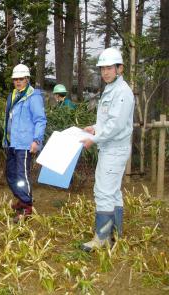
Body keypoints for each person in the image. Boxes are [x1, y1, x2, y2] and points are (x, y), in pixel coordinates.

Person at [81, 47, 134, 251]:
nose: (105, 72)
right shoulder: (112, 89)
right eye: (102, 68)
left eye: (109, 68)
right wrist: (95, 128)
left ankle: (102, 237)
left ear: (120, 68)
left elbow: (117, 125)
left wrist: (94, 138)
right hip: (110, 146)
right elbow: (109, 121)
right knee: (112, 192)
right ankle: (115, 233)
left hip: (114, 149)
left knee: (103, 191)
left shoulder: (122, 92)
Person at [3, 64, 47, 222]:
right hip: (12, 143)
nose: (18, 82)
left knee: (22, 176)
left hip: (25, 143)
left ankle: (26, 206)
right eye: (15, 79)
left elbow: (40, 120)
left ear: (27, 79)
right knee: (10, 174)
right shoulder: (13, 95)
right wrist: (5, 140)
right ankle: (22, 199)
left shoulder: (33, 96)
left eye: (21, 79)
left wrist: (37, 140)